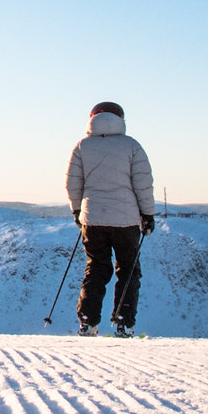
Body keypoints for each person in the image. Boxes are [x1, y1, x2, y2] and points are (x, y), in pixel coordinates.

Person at [66, 100, 155, 337]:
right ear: (121, 119)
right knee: (128, 270)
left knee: (95, 268)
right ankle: (124, 322)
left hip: (92, 219)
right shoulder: (132, 146)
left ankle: (87, 321)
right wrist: (147, 215)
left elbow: (72, 184)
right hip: (126, 221)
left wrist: (77, 211)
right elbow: (143, 184)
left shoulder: (82, 146)